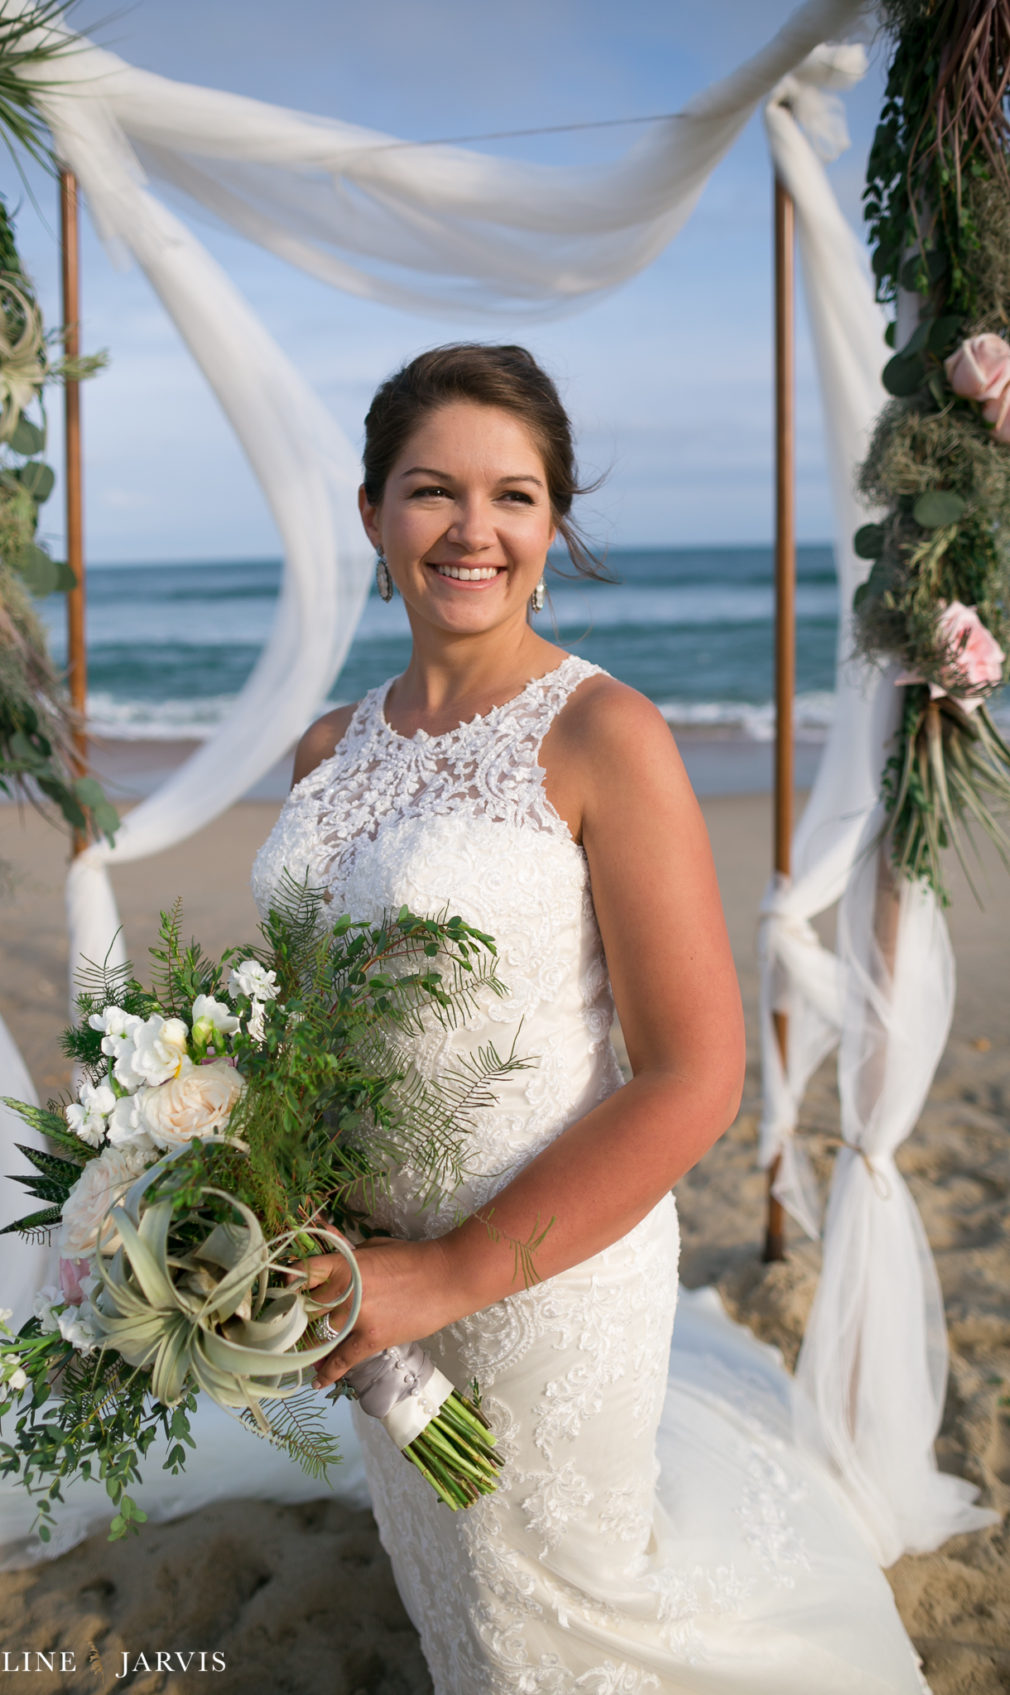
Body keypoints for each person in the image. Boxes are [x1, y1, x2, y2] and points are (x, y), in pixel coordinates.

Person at [250, 343, 930, 1694]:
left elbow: (693, 1077)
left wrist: (445, 1276)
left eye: (513, 495)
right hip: (358, 1266)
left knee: (564, 1624)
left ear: (553, 524)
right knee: (463, 1602)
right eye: (432, 490)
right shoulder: (326, 750)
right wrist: (288, 1203)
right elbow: (300, 1016)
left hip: (540, 1271)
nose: (472, 529)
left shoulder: (604, 734)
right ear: (374, 513)